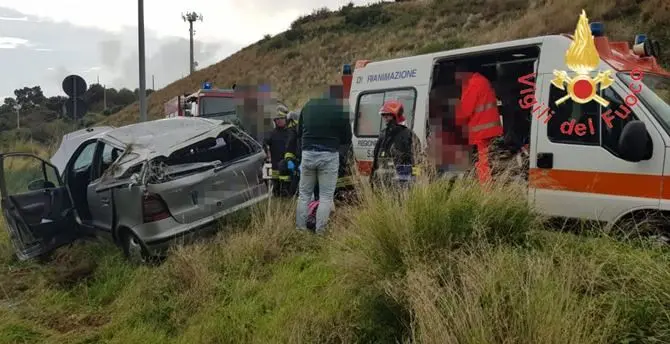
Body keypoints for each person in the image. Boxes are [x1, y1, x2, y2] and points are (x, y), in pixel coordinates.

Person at [286, 86, 352, 234]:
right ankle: (320, 231)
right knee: (326, 197)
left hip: (308, 154)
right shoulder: (340, 110)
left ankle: (300, 230)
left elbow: (299, 132)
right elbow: (347, 137)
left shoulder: (309, 106)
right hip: (329, 155)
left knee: (304, 195)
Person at [453, 64, 504, 185]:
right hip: (491, 130)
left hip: (481, 132)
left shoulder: (473, 84)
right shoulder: (482, 81)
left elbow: (465, 111)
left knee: (483, 164)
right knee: (489, 162)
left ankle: (485, 192)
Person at [370, 99, 420, 190]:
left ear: (395, 115)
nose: (384, 117)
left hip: (401, 181)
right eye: (383, 115)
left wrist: (414, 178)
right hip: (383, 181)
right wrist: (373, 177)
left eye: (387, 115)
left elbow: (417, 159)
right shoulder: (383, 134)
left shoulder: (408, 135)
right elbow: (376, 157)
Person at [262, 103, 293, 197]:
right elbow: (264, 144)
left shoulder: (291, 132)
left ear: (286, 119)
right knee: (277, 191)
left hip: (288, 166)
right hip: (275, 168)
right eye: (277, 119)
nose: (278, 121)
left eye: (281, 118)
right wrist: (267, 155)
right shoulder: (271, 134)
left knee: (289, 189)